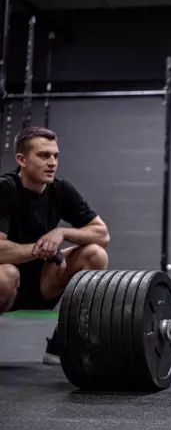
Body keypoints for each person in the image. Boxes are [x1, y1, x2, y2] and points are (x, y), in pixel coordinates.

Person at [0, 126, 110, 365]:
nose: (52, 162)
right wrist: (42, 249)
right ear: (22, 160)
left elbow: (102, 234)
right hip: (8, 285)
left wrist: (61, 233)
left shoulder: (60, 189)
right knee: (5, 274)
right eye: (43, 156)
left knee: (95, 254)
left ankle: (62, 342)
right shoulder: (5, 189)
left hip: (44, 281)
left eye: (55, 156)